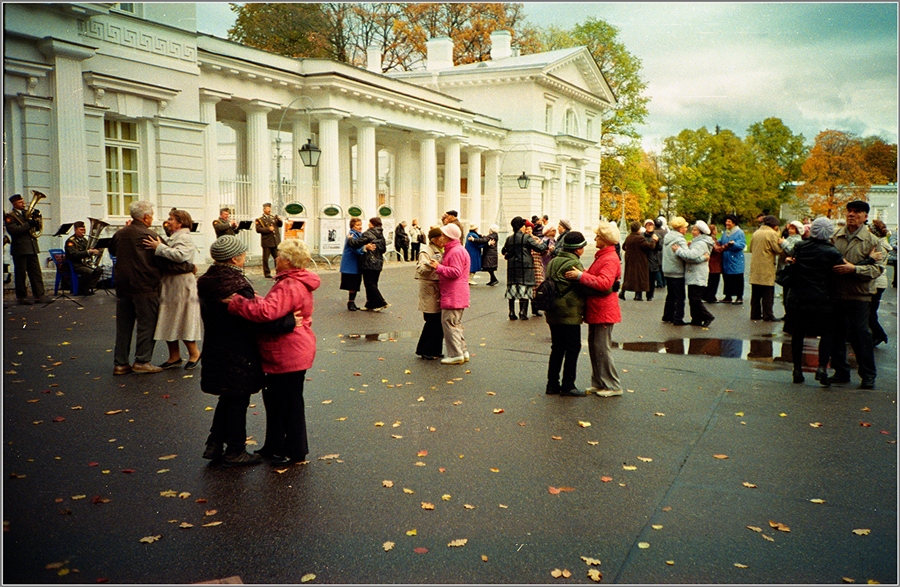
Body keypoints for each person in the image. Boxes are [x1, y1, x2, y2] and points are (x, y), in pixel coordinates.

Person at [197, 235, 293, 467]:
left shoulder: (209, 279)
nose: (244, 256)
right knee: (238, 399)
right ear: (234, 257)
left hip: (216, 345)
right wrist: (289, 322)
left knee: (227, 397)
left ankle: (215, 444)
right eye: (242, 253)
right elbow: (255, 317)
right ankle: (236, 450)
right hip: (237, 349)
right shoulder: (235, 285)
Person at [227, 238, 321, 466]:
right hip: (294, 349)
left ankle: (294, 450)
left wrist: (238, 303)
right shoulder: (294, 281)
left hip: (286, 351)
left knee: (286, 403)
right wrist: (259, 299)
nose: (275, 258)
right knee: (282, 401)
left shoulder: (289, 284)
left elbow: (267, 312)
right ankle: (277, 446)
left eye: (278, 255)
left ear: (287, 261)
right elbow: (276, 307)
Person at [109, 201, 191, 375]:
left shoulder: (120, 234)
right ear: (146, 217)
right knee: (147, 325)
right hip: (145, 286)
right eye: (151, 214)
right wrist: (189, 268)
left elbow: (114, 251)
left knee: (123, 326)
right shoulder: (150, 236)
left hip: (123, 285)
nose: (152, 217)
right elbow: (165, 263)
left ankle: (120, 363)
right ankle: (142, 361)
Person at [782, 218, 844, 386]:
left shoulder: (801, 247)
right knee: (826, 334)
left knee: (798, 334)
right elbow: (840, 272)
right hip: (823, 299)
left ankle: (797, 370)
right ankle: (822, 367)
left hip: (799, 297)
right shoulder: (833, 253)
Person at [564, 221, 622, 397]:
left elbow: (604, 283)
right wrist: (583, 272)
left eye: (598, 236)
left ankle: (612, 385)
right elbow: (599, 276)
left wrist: (581, 275)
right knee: (596, 348)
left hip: (603, 309)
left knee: (602, 348)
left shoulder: (610, 258)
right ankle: (599, 382)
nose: (595, 238)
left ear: (604, 239)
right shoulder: (604, 256)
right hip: (599, 308)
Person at [829, 201, 883, 389]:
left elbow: (877, 269)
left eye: (857, 212)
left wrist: (854, 269)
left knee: (861, 335)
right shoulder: (835, 237)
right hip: (836, 293)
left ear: (865, 216)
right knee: (837, 334)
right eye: (849, 212)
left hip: (859, 296)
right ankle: (840, 372)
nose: (851, 215)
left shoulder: (872, 241)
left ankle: (868, 375)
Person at [143, 209, 203, 370]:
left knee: (183, 317)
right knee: (169, 318)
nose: (168, 222)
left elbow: (179, 256)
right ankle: (174, 356)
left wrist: (159, 247)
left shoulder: (184, 237)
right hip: (171, 282)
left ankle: (194, 353)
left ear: (180, 223)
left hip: (181, 284)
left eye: (171, 219)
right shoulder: (175, 236)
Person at [544, 230, 589, 396]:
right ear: (577, 249)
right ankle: (568, 385)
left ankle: (552, 384)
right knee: (572, 348)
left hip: (553, 310)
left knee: (557, 348)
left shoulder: (553, 261)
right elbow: (583, 288)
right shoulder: (573, 264)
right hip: (569, 312)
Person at [429, 223, 470, 365]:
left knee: (449, 323)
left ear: (448, 237)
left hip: (453, 293)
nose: (441, 237)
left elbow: (455, 272)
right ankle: (462, 351)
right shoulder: (457, 249)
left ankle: (455, 354)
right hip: (457, 293)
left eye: (443, 235)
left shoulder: (455, 251)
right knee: (455, 323)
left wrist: (438, 267)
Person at [501, 216, 548, 320]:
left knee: (512, 288)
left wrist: (510, 253)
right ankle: (523, 312)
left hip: (512, 266)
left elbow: (504, 251)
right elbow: (539, 248)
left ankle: (512, 312)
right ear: (521, 227)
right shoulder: (526, 238)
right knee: (525, 288)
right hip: (525, 266)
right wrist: (546, 244)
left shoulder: (509, 239)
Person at [4, 193, 47, 304]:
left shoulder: (26, 214)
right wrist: (29, 224)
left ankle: (39, 295)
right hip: (20, 249)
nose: (23, 203)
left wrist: (37, 220)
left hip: (31, 247)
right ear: (14, 204)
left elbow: (35, 229)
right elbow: (14, 231)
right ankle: (22, 297)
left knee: (36, 273)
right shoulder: (10, 216)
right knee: (21, 274)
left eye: (23, 201)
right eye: (20, 202)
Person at [674, 220, 715, 327]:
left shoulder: (701, 244)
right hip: (695, 273)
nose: (692, 231)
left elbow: (691, 256)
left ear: (701, 232)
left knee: (695, 299)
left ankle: (707, 316)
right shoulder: (698, 243)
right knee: (693, 298)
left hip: (697, 274)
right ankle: (696, 319)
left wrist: (678, 251)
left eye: (695, 230)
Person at [415, 227, 445, 360]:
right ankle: (424, 349)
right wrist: (431, 263)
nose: (444, 240)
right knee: (431, 320)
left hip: (438, 286)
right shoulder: (426, 251)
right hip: (429, 288)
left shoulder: (442, 249)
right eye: (441, 237)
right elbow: (421, 269)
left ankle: (436, 349)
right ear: (435, 239)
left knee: (439, 321)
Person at [348, 217, 388, 311]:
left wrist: (350, 239)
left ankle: (381, 302)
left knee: (369, 283)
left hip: (369, 262)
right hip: (378, 261)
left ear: (372, 224)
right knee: (373, 283)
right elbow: (383, 249)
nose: (368, 225)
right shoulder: (381, 235)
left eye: (369, 223)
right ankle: (370, 304)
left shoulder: (368, 233)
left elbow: (356, 243)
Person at [749, 215, 783, 321]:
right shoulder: (772, 234)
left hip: (755, 266)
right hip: (766, 266)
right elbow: (778, 250)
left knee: (755, 293)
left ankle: (755, 313)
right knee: (767, 293)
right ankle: (768, 314)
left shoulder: (756, 233)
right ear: (774, 225)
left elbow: (750, 248)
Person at [661, 216, 689, 325]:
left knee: (671, 295)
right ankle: (678, 318)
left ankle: (667, 315)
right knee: (680, 296)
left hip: (668, 269)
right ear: (680, 228)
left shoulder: (668, 236)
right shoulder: (680, 239)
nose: (686, 229)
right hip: (677, 270)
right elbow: (686, 255)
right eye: (685, 227)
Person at [64, 220, 103, 295]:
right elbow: (74, 255)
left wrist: (95, 251)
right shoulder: (71, 241)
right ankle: (81, 289)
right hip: (74, 264)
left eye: (84, 230)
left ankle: (88, 287)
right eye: (81, 230)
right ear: (75, 230)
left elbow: (87, 251)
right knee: (88, 271)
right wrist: (88, 252)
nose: (83, 232)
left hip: (83, 263)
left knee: (99, 270)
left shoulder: (84, 240)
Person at [867, 219, 890, 347]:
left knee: (870, 312)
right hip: (879, 281)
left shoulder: (879, 245)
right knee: (870, 311)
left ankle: (880, 334)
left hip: (877, 282)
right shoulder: (882, 243)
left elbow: (876, 265)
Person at [620, 221, 655, 301]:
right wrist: (654, 241)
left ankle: (623, 292)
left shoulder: (628, 237)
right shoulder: (639, 238)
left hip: (630, 259)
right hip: (640, 260)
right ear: (638, 229)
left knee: (628, 276)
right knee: (640, 277)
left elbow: (624, 246)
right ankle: (638, 295)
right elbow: (650, 247)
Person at [339, 218, 366, 311]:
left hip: (356, 264)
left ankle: (352, 302)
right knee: (352, 284)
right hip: (350, 265)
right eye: (357, 225)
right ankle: (350, 302)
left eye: (360, 224)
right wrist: (366, 249)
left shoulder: (360, 235)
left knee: (355, 284)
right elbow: (356, 248)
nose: (360, 226)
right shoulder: (352, 235)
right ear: (352, 226)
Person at [719, 214, 746, 304]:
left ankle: (739, 296)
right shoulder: (726, 232)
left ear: (734, 223)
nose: (727, 223)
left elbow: (742, 244)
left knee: (737, 277)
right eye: (726, 221)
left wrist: (734, 244)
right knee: (727, 277)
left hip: (735, 258)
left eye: (729, 222)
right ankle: (728, 296)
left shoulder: (739, 232)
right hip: (726, 259)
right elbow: (721, 241)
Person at [255, 202, 282, 278]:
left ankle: (278, 271)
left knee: (277, 258)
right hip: (267, 241)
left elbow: (280, 225)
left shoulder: (273, 217)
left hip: (275, 241)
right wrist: (268, 229)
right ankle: (267, 273)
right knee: (266, 259)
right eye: (268, 208)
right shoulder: (260, 219)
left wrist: (279, 220)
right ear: (264, 209)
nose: (269, 210)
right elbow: (258, 229)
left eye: (270, 208)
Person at [525, 220, 546, 316]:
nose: (528, 231)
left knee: (538, 287)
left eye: (530, 229)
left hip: (537, 265)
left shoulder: (536, 239)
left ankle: (536, 307)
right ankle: (525, 309)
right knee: (527, 287)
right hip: (527, 266)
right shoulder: (524, 240)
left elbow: (542, 251)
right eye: (526, 229)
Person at [643, 220, 662, 301]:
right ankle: (638, 294)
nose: (649, 226)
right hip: (643, 259)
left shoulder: (657, 236)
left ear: (654, 226)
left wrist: (657, 242)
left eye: (651, 225)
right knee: (642, 278)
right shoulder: (641, 236)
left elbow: (660, 248)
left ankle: (650, 295)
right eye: (648, 225)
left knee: (652, 279)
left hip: (653, 260)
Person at [703, 224, 723, 303]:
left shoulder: (708, 239)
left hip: (711, 262)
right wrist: (727, 245)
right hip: (714, 263)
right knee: (713, 281)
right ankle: (710, 296)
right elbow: (717, 249)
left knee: (710, 280)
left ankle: (709, 295)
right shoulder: (712, 240)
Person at [653, 216, 668, 289]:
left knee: (657, 267)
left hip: (657, 251)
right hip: (664, 250)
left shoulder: (654, 232)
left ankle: (660, 282)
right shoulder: (665, 231)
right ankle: (664, 281)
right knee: (662, 267)